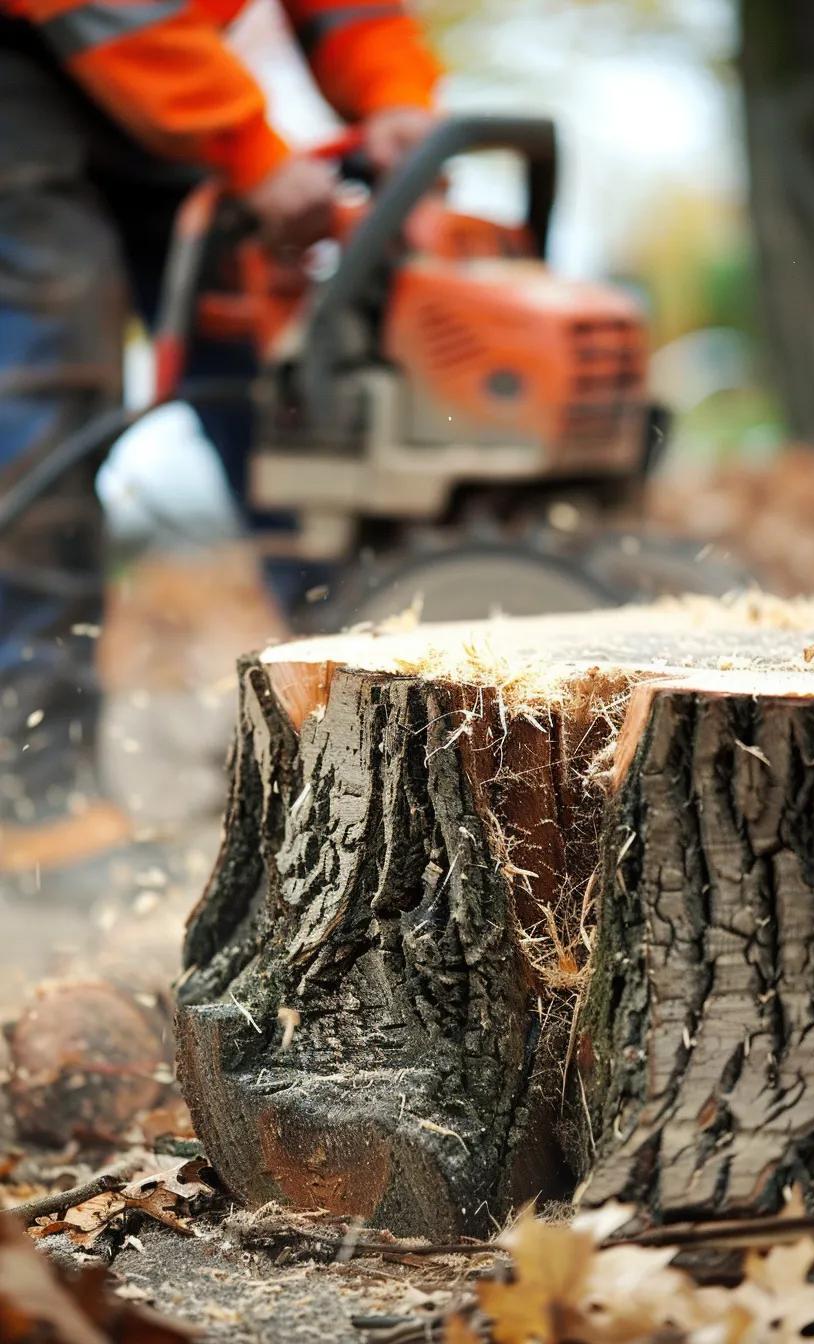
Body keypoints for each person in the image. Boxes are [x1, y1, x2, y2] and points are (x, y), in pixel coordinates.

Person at [0, 0, 440, 891]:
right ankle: (31, 793)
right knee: (49, 381)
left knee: (271, 356)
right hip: (31, 61)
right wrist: (250, 146)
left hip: (167, 75)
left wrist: (397, 94)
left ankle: (371, 715)